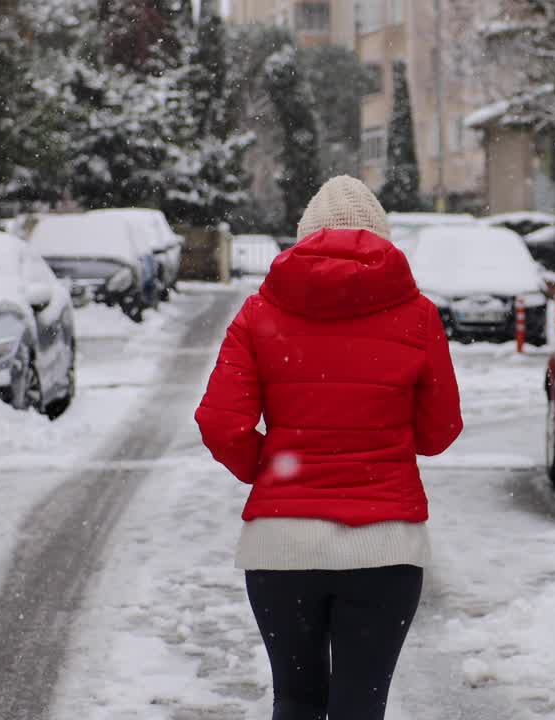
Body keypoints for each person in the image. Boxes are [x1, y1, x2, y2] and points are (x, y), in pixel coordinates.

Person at [195, 176, 463, 720]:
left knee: (296, 701)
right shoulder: (417, 315)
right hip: (385, 549)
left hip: (280, 548)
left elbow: (221, 423)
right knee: (359, 707)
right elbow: (439, 433)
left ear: (303, 239)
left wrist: (272, 469)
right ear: (382, 239)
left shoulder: (259, 313)